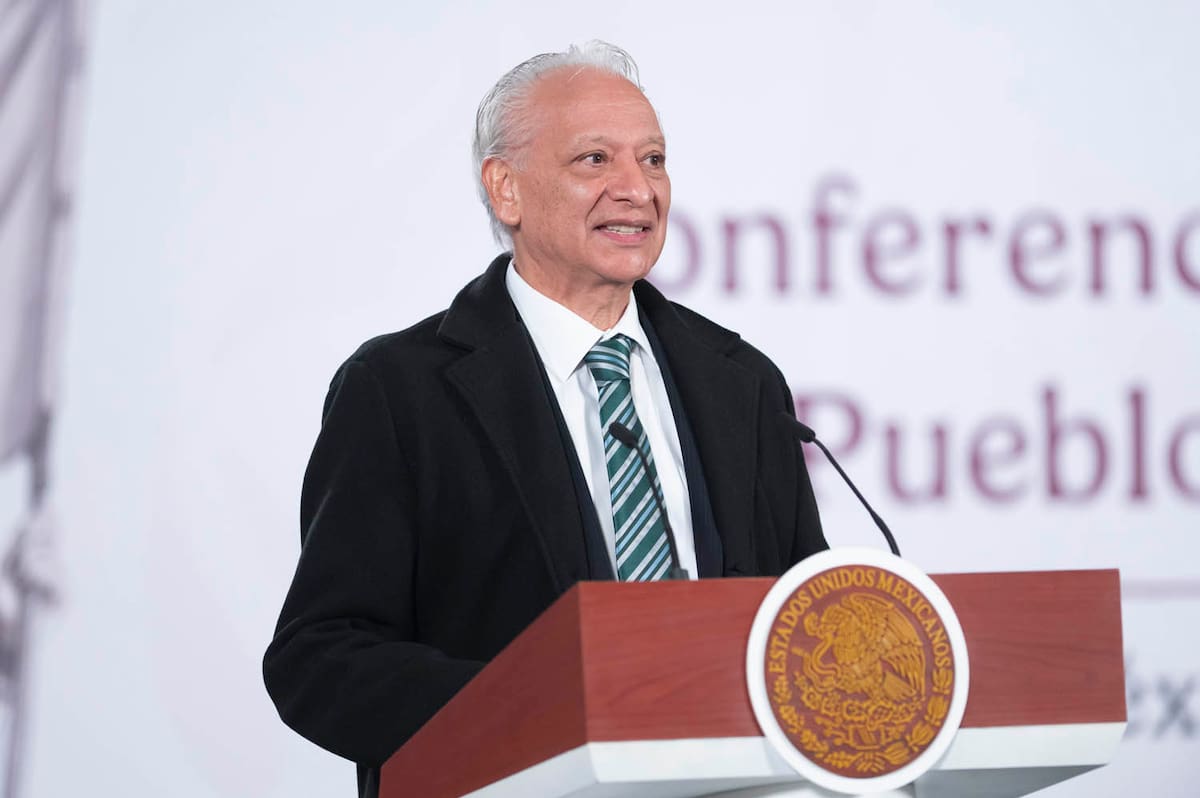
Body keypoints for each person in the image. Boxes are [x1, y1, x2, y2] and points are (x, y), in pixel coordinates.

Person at [263, 41, 826, 798]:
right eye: (595, 160)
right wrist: (539, 711)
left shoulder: (742, 381)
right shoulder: (401, 390)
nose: (638, 189)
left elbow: (804, 621)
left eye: (654, 159)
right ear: (507, 190)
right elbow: (322, 658)